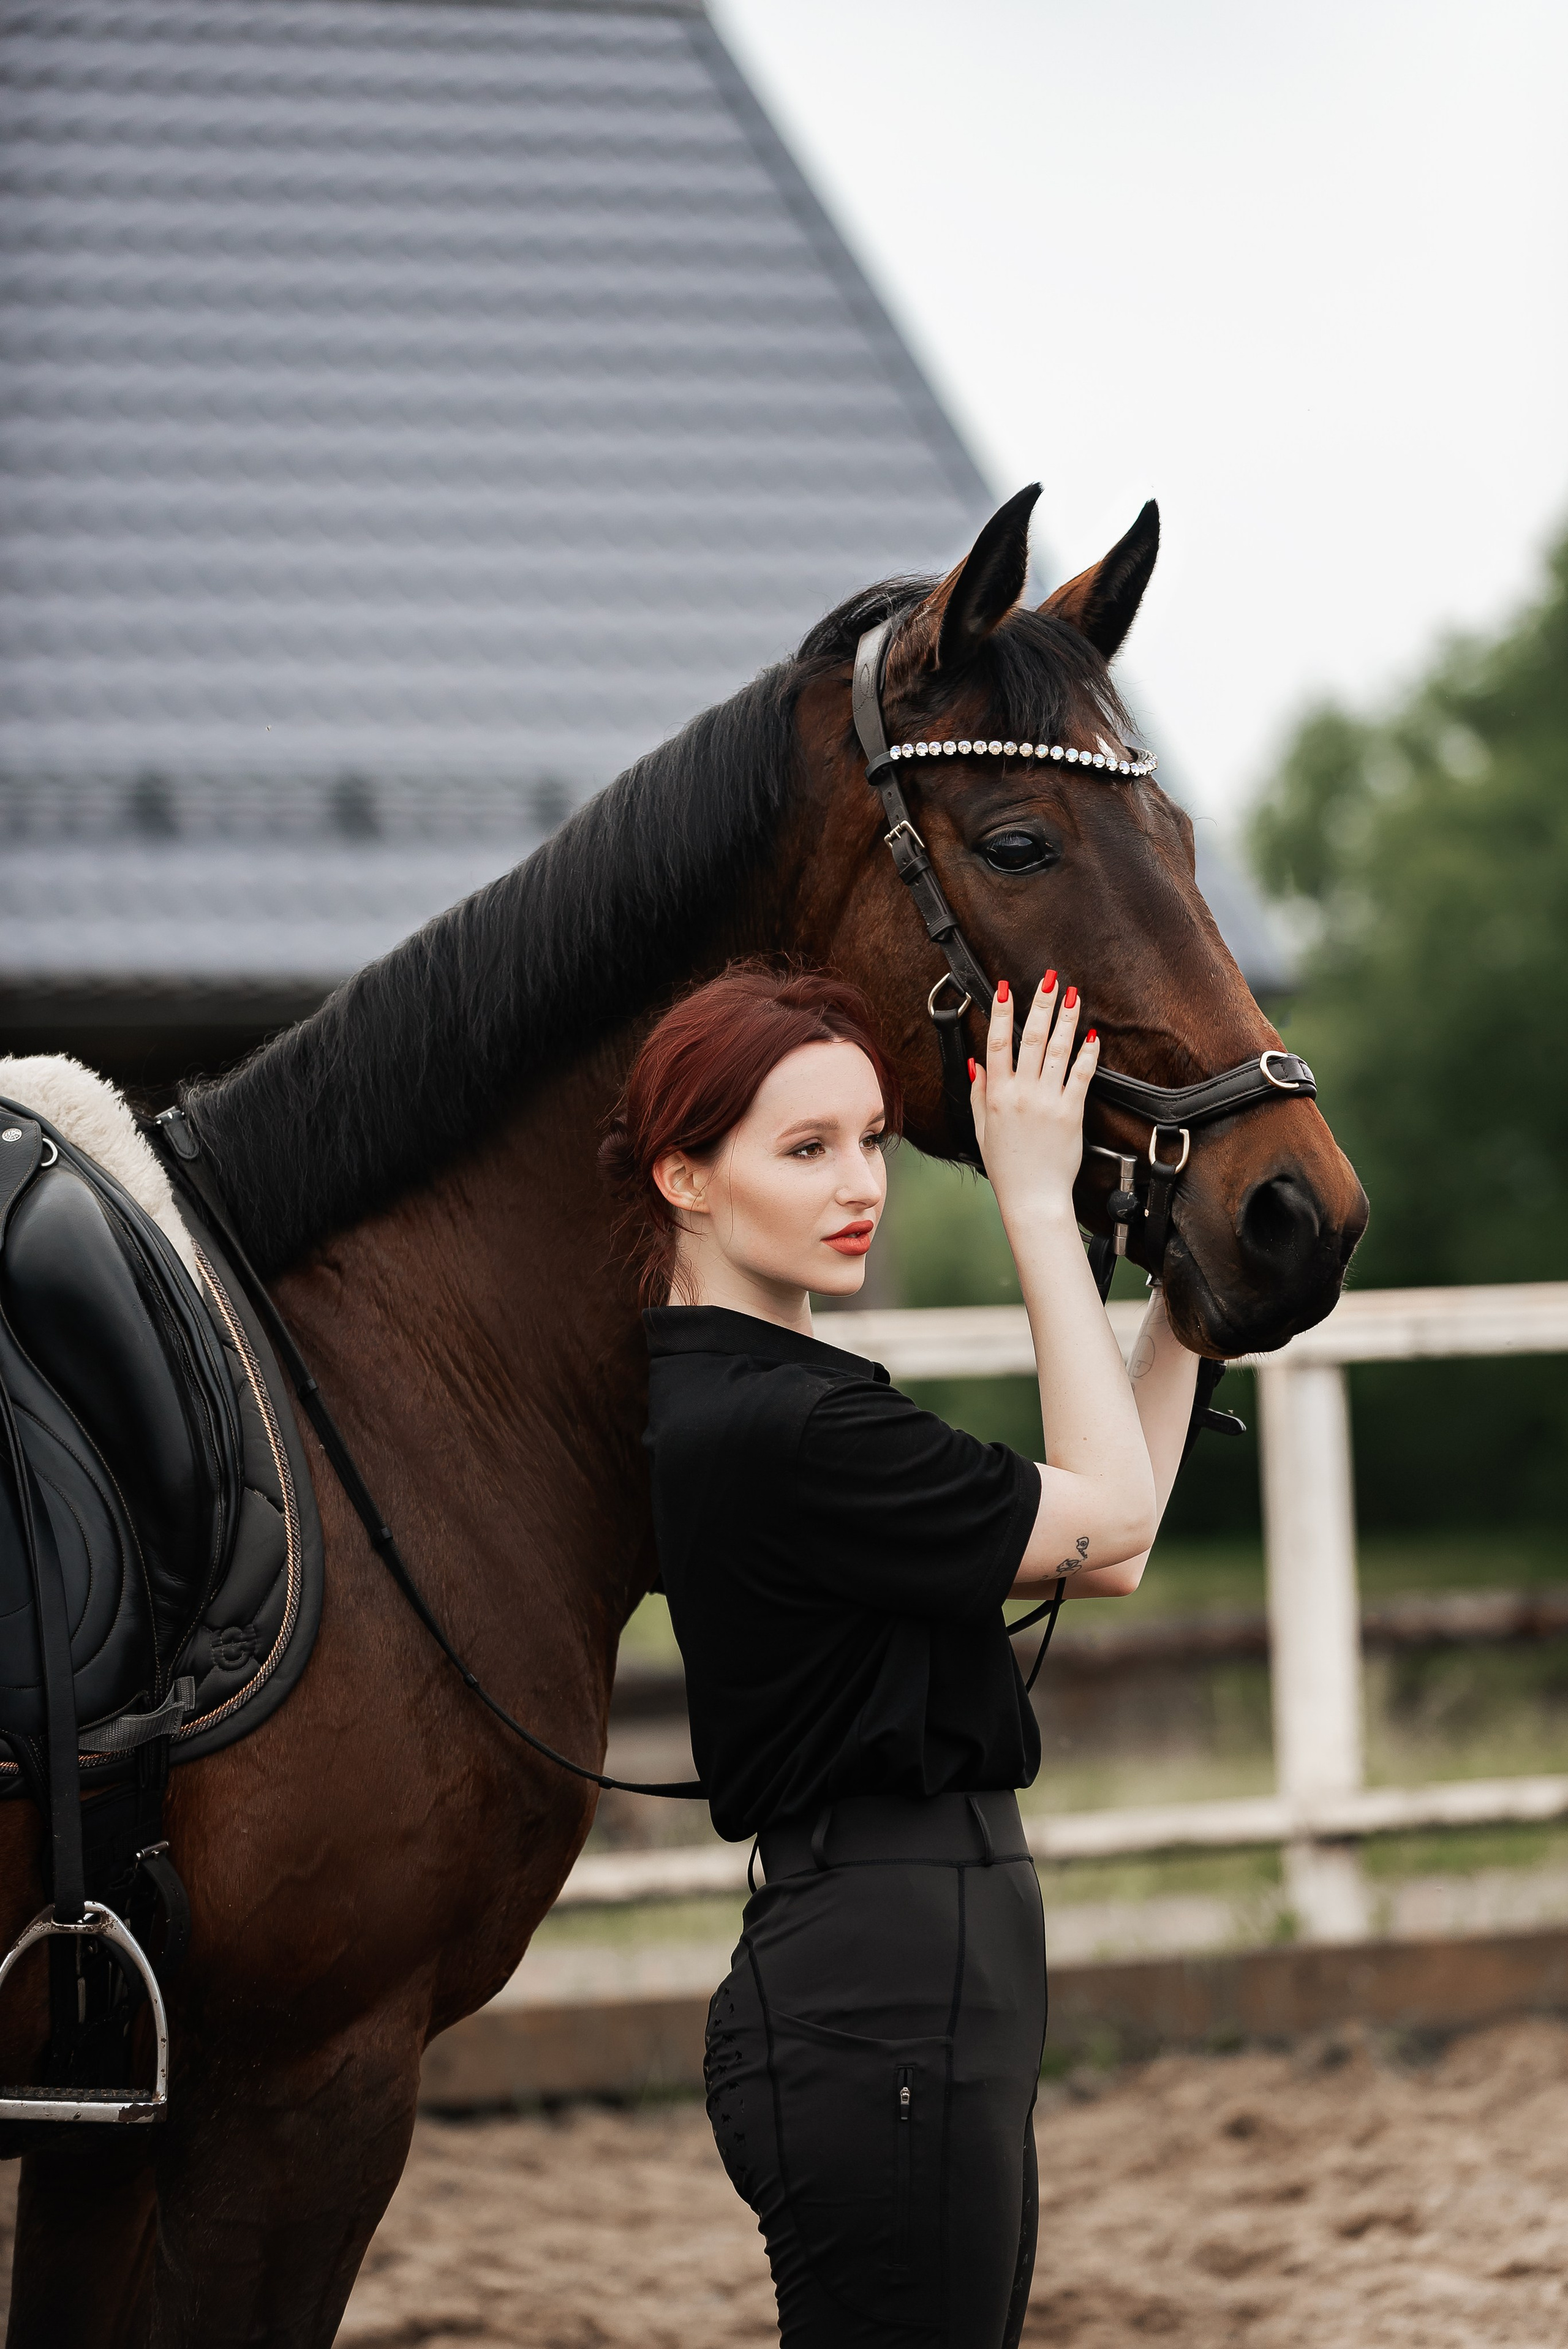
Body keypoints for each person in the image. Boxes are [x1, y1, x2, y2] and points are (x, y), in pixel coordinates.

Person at [600, 961, 1200, 2349]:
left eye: (867, 1138)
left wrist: (1186, 1302)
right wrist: (1034, 1203)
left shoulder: (791, 1402)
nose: (857, 1181)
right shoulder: (781, 1429)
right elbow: (1104, 1518)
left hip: (917, 1967)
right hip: (873, 1979)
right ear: (683, 1179)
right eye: (803, 1149)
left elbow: (1108, 1547)